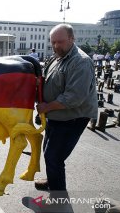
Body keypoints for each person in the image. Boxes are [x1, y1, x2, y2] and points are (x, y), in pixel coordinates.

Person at [35, 24, 98, 198]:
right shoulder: (58, 57)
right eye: (53, 42)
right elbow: (49, 79)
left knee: (54, 157)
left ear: (72, 39)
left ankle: (58, 199)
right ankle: (52, 180)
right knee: (49, 152)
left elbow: (74, 97)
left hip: (72, 117)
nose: (56, 46)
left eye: (60, 42)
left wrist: (46, 107)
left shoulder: (81, 61)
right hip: (56, 115)